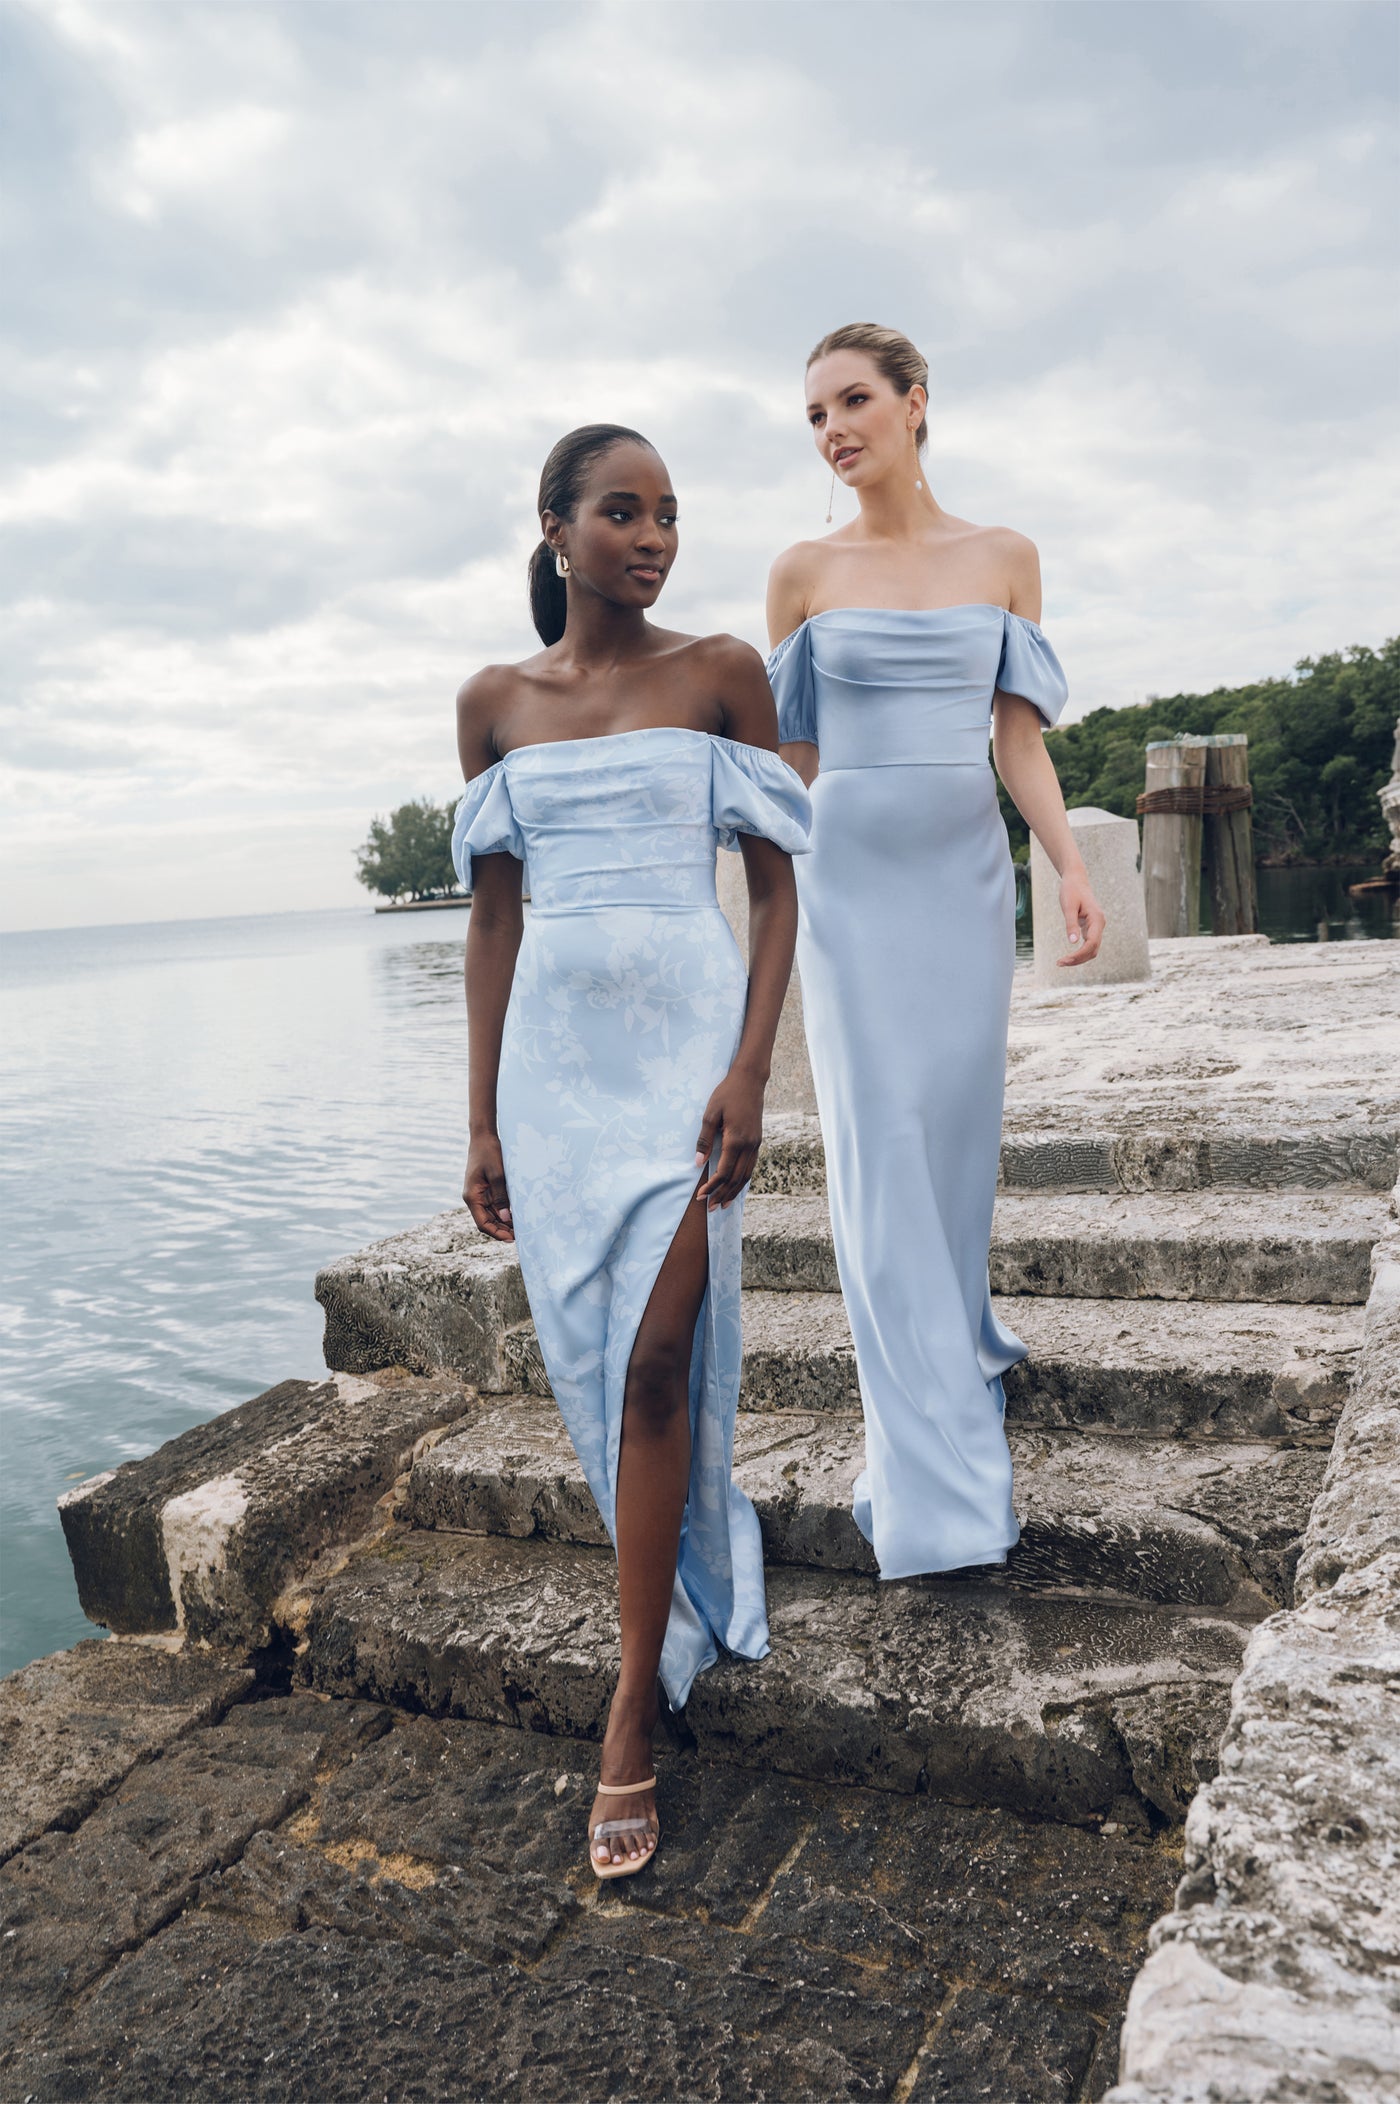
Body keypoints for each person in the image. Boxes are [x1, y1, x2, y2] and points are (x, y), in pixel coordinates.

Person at [454, 424, 810, 1879]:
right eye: (623, 512)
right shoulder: (492, 702)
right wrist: (479, 1117)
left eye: (668, 514)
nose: (654, 536)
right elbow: (492, 921)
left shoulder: (722, 670)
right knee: (592, 1362)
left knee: (657, 1360)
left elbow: (778, 892)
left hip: (682, 1063)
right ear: (555, 529)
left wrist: (748, 1070)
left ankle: (627, 1715)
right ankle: (663, 1602)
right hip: (552, 1077)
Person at [765, 323, 1105, 1583]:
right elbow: (792, 763)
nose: (832, 430)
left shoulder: (1004, 556)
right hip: (844, 882)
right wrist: (757, 906)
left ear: (915, 404)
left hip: (963, 879)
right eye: (812, 415)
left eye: (852, 401)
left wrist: (1064, 865)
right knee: (878, 1149)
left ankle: (952, 1333)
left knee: (955, 1142)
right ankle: (935, 1471)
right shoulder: (799, 571)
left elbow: (1014, 739)